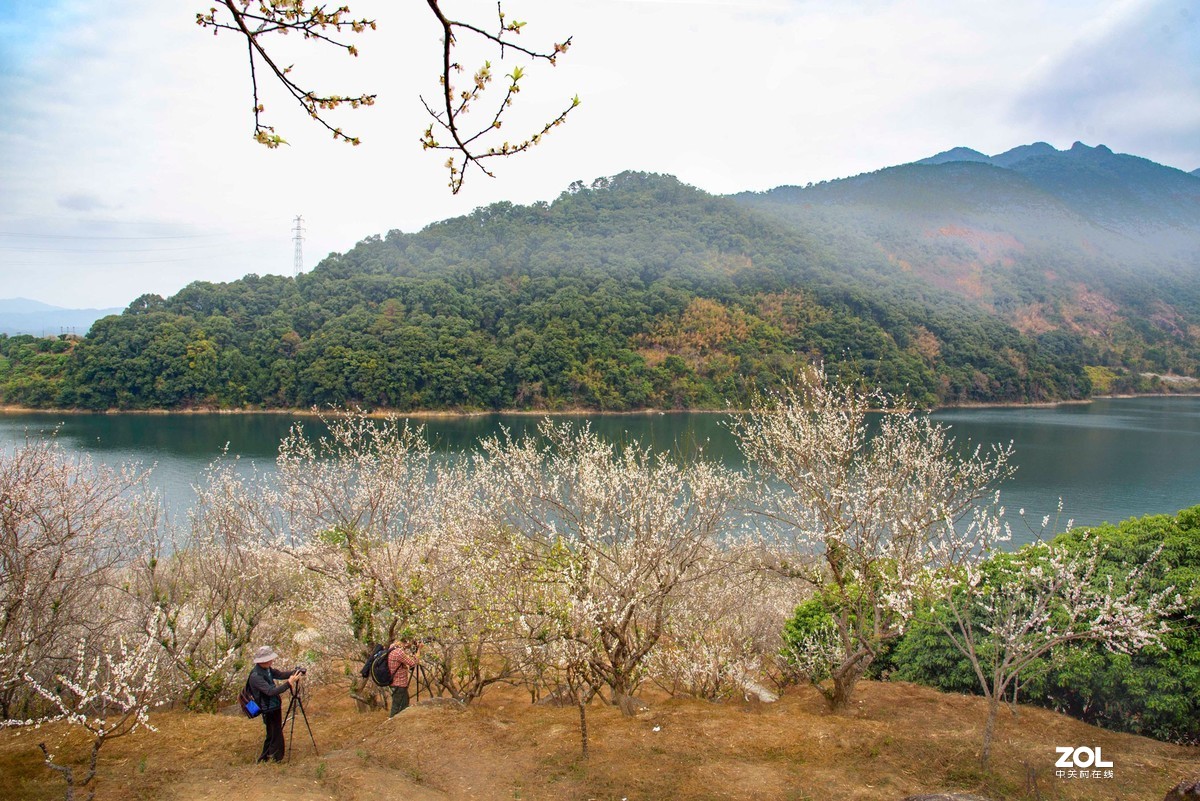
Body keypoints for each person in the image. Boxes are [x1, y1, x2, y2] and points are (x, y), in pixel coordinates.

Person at [247, 645, 301, 762]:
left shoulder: (267, 669)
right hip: (267, 708)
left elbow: (280, 674)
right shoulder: (256, 676)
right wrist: (289, 683)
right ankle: (275, 759)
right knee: (275, 733)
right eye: (270, 659)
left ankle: (265, 758)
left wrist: (295, 672)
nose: (272, 661)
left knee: (272, 733)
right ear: (263, 661)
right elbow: (270, 692)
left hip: (274, 706)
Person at [387, 639, 421, 716]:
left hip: (393, 682)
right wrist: (419, 649)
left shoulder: (391, 648)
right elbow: (413, 663)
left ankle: (396, 722)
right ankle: (392, 723)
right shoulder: (399, 652)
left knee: (402, 703)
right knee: (398, 706)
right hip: (399, 684)